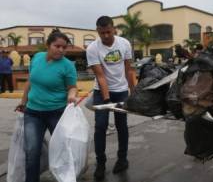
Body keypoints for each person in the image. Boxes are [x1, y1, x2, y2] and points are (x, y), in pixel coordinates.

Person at [16, 29, 78, 182]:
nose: (61, 50)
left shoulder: (68, 65)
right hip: (33, 113)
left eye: (64, 47)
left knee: (62, 151)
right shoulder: (37, 58)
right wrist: (23, 102)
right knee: (32, 151)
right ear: (48, 45)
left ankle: (66, 178)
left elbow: (72, 87)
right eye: (57, 46)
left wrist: (71, 96)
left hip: (56, 113)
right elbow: (30, 81)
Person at [86, 16, 135, 180]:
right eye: (102, 33)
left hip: (121, 90)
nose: (106, 36)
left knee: (122, 125)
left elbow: (129, 70)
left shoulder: (124, 43)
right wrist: (106, 100)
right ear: (97, 31)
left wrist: (134, 93)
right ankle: (100, 163)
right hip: (101, 91)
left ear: (114, 28)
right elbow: (100, 76)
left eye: (108, 31)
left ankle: (122, 159)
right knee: (100, 126)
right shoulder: (92, 48)